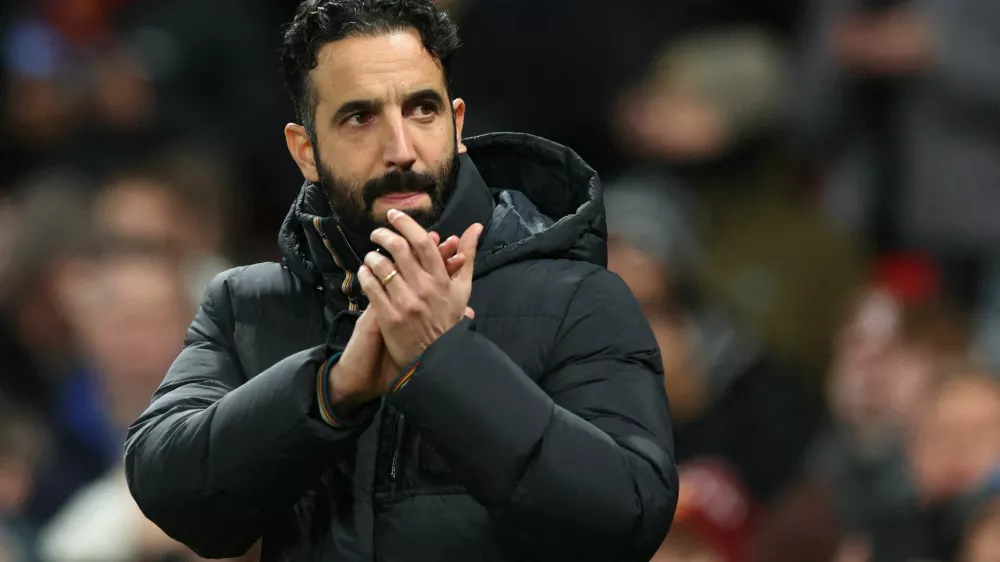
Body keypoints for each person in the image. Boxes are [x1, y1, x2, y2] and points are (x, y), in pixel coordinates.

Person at [123, 1, 678, 561]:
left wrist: (443, 360)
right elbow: (171, 491)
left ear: (457, 124)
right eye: (360, 117)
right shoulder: (244, 305)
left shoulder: (578, 297)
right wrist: (332, 390)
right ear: (306, 151)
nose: (401, 149)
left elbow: (628, 517)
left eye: (421, 110)